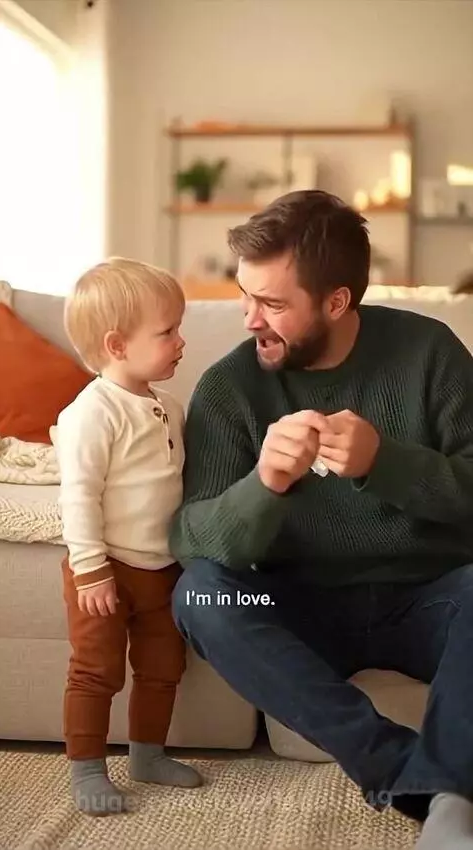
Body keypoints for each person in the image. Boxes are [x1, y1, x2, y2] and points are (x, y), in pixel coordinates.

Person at [169, 191, 473, 849]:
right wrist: (264, 486)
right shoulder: (230, 388)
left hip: (430, 597)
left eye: (272, 303)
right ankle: (415, 779)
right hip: (295, 602)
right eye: (245, 294)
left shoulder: (429, 353)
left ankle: (451, 801)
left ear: (336, 302)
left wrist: (385, 463)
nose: (250, 318)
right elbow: (193, 540)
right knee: (202, 595)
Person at [55, 258, 202, 816]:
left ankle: (148, 755)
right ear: (117, 345)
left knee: (164, 667)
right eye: (167, 332)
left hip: (162, 569)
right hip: (106, 570)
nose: (181, 341)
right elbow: (79, 496)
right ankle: (88, 768)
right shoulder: (91, 413)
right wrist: (90, 570)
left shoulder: (169, 407)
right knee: (96, 671)